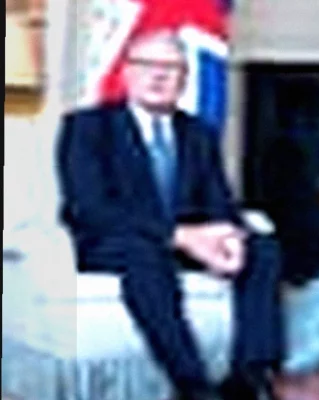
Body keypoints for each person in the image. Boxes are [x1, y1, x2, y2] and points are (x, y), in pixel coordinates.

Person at [55, 30, 284, 400]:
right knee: (145, 255)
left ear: (184, 79)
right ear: (127, 73)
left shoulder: (198, 133)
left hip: (187, 244)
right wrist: (179, 236)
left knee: (263, 248)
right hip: (114, 242)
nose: (158, 75)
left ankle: (251, 377)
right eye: (147, 65)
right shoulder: (87, 127)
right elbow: (89, 208)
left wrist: (229, 238)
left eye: (171, 68)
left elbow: (219, 200)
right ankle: (193, 385)